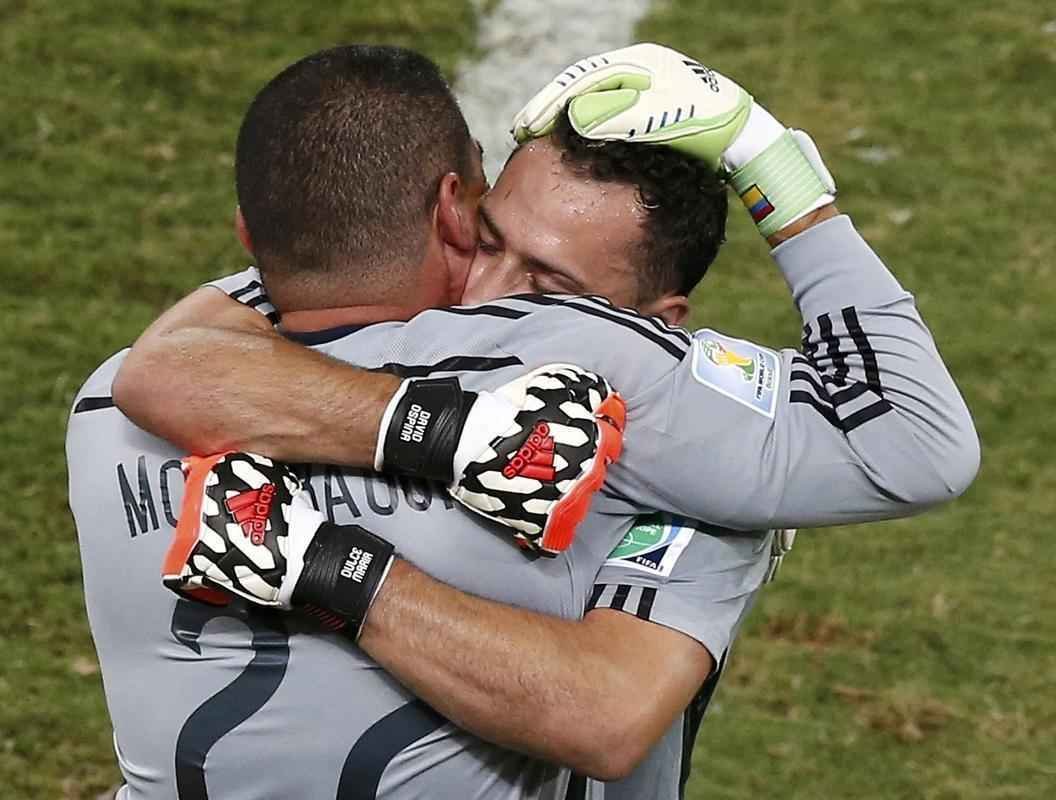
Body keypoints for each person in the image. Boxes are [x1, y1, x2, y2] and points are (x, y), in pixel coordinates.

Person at [69, 44, 978, 799]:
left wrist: (331, 568)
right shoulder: (279, 342)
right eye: (489, 242)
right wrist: (451, 429)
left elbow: (606, 715)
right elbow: (170, 365)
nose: (482, 303)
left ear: (656, 325)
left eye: (550, 292)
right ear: (456, 212)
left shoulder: (666, 427)